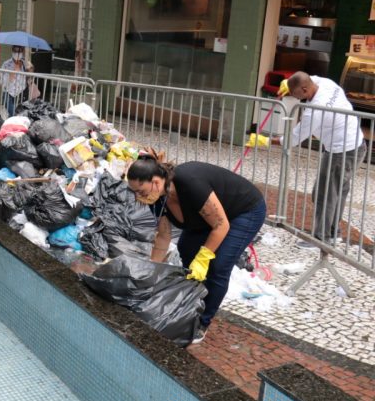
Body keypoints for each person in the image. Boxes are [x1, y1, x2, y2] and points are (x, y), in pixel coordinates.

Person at [126, 152, 266, 344]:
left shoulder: (189, 183)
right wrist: (152, 270)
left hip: (244, 211)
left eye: (140, 192)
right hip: (207, 218)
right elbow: (164, 235)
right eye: (135, 192)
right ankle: (192, 301)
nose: (139, 197)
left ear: (157, 182)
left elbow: (221, 225)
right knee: (186, 250)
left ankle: (202, 321)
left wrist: (204, 257)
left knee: (218, 265)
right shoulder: (156, 197)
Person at [246, 71, 365, 248]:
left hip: (342, 152)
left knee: (325, 194)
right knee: (336, 192)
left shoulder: (315, 110)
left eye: (296, 95)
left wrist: (266, 140)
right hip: (356, 145)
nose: (296, 99)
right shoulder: (325, 83)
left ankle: (320, 239)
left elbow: (293, 139)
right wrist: (288, 83)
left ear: (304, 89)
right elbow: (310, 77)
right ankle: (332, 233)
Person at [0, 45, 28, 116]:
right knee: (14, 116)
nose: (17, 53)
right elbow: (2, 83)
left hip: (21, 95)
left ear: (23, 52)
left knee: (19, 117)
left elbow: (28, 80)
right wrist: (13, 73)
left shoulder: (25, 64)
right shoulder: (6, 64)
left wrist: (30, 71)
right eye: (15, 50)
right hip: (9, 94)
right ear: (12, 51)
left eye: (19, 51)